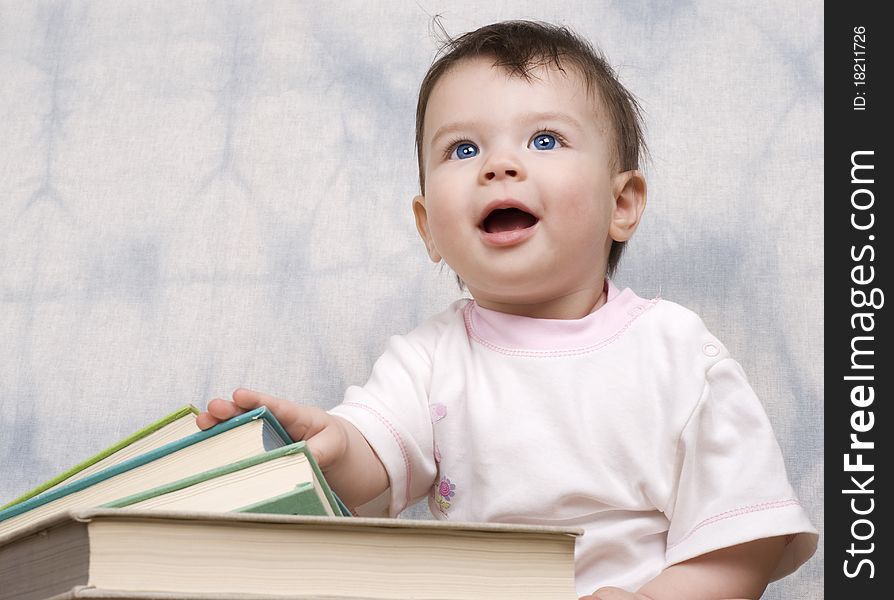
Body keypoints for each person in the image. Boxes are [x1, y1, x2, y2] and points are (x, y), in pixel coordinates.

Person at [198, 20, 817, 599]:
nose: (499, 165)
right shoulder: (427, 360)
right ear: (429, 229)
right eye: (462, 150)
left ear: (621, 203)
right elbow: (376, 464)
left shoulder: (676, 351)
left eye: (545, 140)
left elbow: (745, 534)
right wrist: (329, 447)